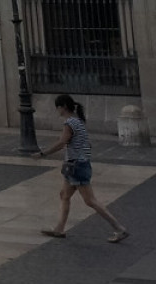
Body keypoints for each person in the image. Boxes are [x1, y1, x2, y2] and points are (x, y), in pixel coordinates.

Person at [38, 94, 130, 242]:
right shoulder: (78, 121)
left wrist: (43, 153)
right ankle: (59, 229)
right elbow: (86, 144)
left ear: (63, 107)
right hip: (76, 165)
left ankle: (119, 228)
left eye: (58, 107)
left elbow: (62, 142)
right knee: (64, 195)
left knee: (90, 200)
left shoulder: (69, 123)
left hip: (76, 166)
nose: (57, 110)